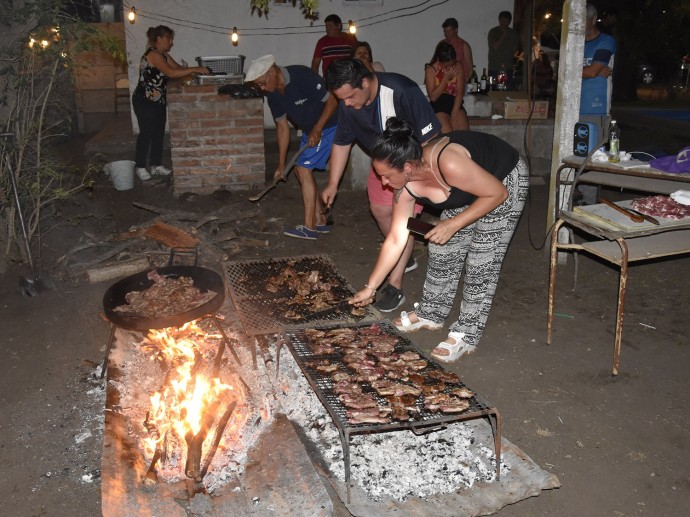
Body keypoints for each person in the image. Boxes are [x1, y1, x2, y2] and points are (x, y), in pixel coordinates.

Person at [349, 118, 528, 362]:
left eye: (387, 176)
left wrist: (454, 223)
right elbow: (395, 238)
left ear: (409, 167)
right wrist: (370, 287)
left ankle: (467, 332)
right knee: (442, 249)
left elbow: (497, 193)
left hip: (503, 180)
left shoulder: (448, 163)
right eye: (380, 176)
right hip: (465, 190)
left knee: (481, 260)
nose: (384, 183)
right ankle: (431, 313)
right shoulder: (404, 187)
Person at [322, 59, 442, 312]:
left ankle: (395, 284)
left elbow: (431, 138)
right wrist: (333, 183)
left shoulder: (403, 91)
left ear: (365, 82)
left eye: (350, 97)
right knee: (379, 211)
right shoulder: (348, 103)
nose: (347, 104)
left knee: (403, 224)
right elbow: (342, 142)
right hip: (381, 167)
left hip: (410, 165)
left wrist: (419, 176)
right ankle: (402, 251)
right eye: (341, 99)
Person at [245, 55, 338, 240]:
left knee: (303, 170)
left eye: (262, 83)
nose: (262, 89)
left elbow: (333, 100)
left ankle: (309, 228)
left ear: (272, 71)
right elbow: (282, 127)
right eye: (258, 86)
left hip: (329, 126)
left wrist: (318, 129)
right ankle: (321, 221)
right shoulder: (273, 95)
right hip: (310, 130)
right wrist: (281, 164)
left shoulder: (301, 76)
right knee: (299, 171)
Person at [132, 25, 209, 181]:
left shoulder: (164, 55)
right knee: (146, 133)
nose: (171, 42)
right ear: (159, 38)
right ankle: (140, 166)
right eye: (169, 38)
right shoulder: (153, 55)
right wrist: (197, 68)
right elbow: (171, 72)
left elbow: (178, 68)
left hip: (158, 100)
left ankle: (156, 165)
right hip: (144, 100)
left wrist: (195, 71)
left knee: (158, 133)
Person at [579, 3, 616, 203]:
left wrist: (590, 71)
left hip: (597, 108)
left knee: (592, 157)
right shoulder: (576, 44)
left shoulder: (606, 41)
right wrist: (590, 71)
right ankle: (582, 195)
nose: (579, 24)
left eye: (583, 20)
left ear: (593, 20)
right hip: (573, 107)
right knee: (576, 154)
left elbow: (593, 71)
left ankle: (590, 202)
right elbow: (591, 71)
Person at [424, 41, 469, 133]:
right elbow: (433, 97)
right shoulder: (430, 70)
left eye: (452, 65)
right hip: (438, 105)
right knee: (449, 137)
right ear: (438, 60)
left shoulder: (459, 66)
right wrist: (445, 78)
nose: (449, 68)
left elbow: (460, 92)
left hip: (455, 103)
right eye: (446, 66)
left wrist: (454, 114)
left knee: (465, 136)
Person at [487, 11, 519, 82]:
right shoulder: (493, 32)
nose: (503, 23)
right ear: (499, 19)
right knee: (493, 90)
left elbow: (514, 49)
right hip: (494, 68)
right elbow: (495, 47)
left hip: (507, 68)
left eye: (506, 21)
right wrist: (504, 35)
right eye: (501, 20)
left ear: (509, 22)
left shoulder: (513, 33)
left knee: (506, 91)